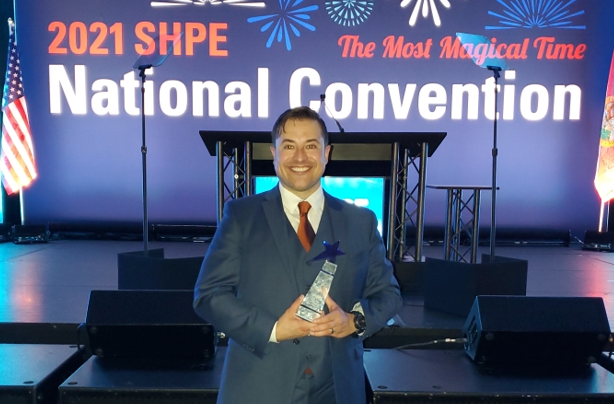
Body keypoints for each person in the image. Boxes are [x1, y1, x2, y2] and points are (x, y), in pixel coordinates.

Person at [193, 106, 402, 404]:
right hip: (258, 388)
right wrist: (274, 329)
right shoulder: (241, 216)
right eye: (289, 146)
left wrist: (356, 321)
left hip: (338, 389)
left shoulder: (361, 221)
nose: (300, 157)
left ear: (326, 153)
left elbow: (389, 294)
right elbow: (208, 294)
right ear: (274, 153)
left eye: (311, 146)